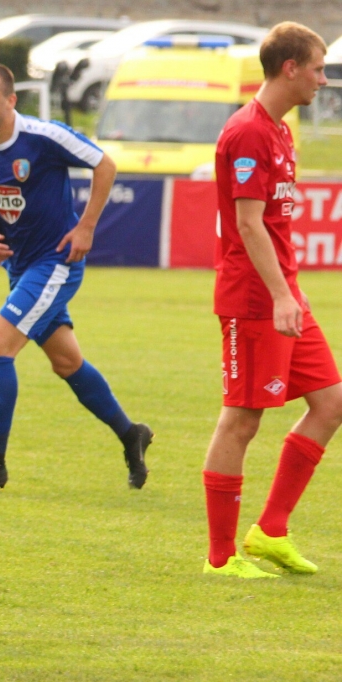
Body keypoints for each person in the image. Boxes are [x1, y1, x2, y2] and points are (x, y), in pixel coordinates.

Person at [0, 63, 152, 492]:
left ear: (10, 100)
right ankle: (131, 434)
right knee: (67, 363)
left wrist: (85, 227)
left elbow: (105, 165)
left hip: (56, 262)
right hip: (21, 267)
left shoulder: (43, 137)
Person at [201, 22, 342, 579]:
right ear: (290, 68)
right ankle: (220, 558)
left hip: (285, 295)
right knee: (242, 419)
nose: (323, 78)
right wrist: (283, 296)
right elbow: (248, 224)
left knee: (331, 402)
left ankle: (271, 532)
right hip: (255, 300)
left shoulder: (281, 130)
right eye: (317, 67)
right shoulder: (247, 133)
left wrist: (290, 293)